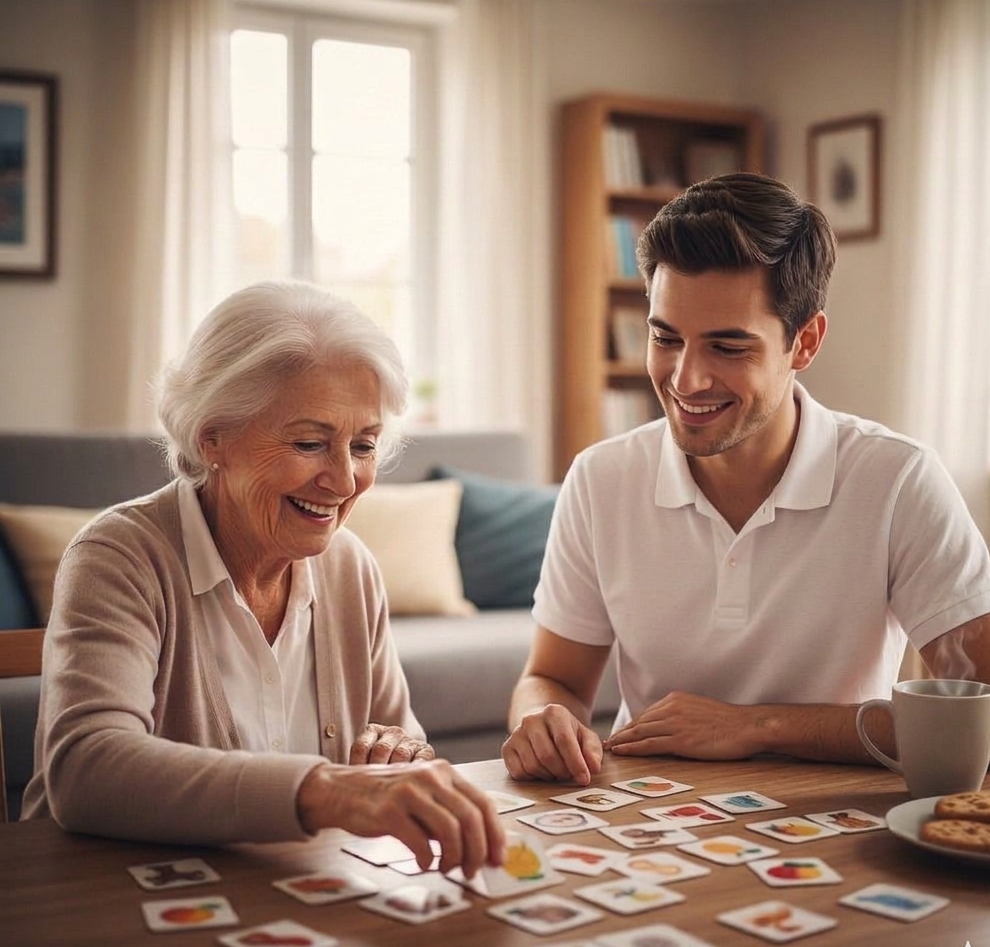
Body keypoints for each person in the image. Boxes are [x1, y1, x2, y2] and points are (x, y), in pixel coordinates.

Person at [503, 172, 990, 784]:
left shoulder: (898, 480)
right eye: (665, 338)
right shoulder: (600, 478)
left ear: (804, 342)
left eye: (727, 348)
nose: (685, 379)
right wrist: (541, 716)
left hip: (827, 820)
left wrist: (756, 726)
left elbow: (978, 716)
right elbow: (555, 678)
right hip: (648, 820)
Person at [22, 280, 504, 876]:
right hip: (107, 897)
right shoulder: (118, 556)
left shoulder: (350, 567)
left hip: (287, 890)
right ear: (212, 437)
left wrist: (398, 756)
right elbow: (87, 769)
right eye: (309, 443)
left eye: (363, 445)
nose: (346, 480)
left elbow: (399, 740)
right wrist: (326, 790)